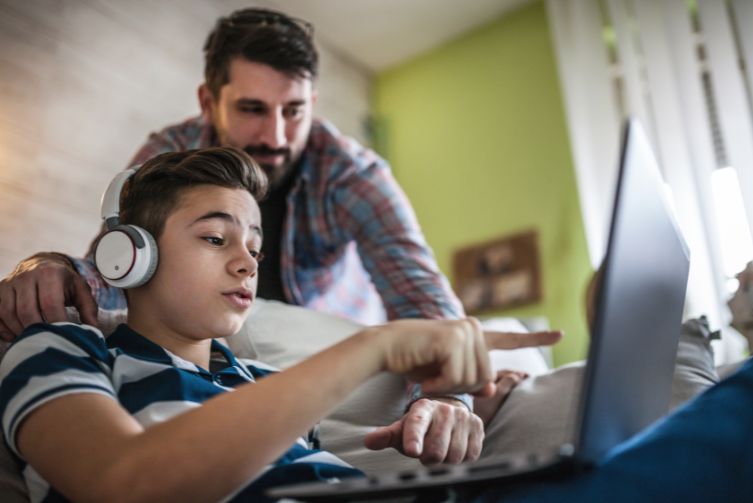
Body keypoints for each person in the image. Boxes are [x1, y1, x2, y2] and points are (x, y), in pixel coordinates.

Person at [0, 7, 488, 465]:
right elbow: (121, 263)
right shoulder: (168, 155)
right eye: (253, 108)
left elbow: (423, 296)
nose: (275, 135)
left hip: (318, 337)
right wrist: (48, 268)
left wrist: (446, 394)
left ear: (312, 103)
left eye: (294, 111)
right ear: (209, 101)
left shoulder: (354, 174)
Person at [0, 147, 560, 502]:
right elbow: (121, 483)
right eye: (216, 239)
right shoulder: (61, 349)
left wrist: (481, 400)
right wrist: (373, 346)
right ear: (130, 255)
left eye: (255, 247)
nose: (247, 262)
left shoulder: (264, 383)